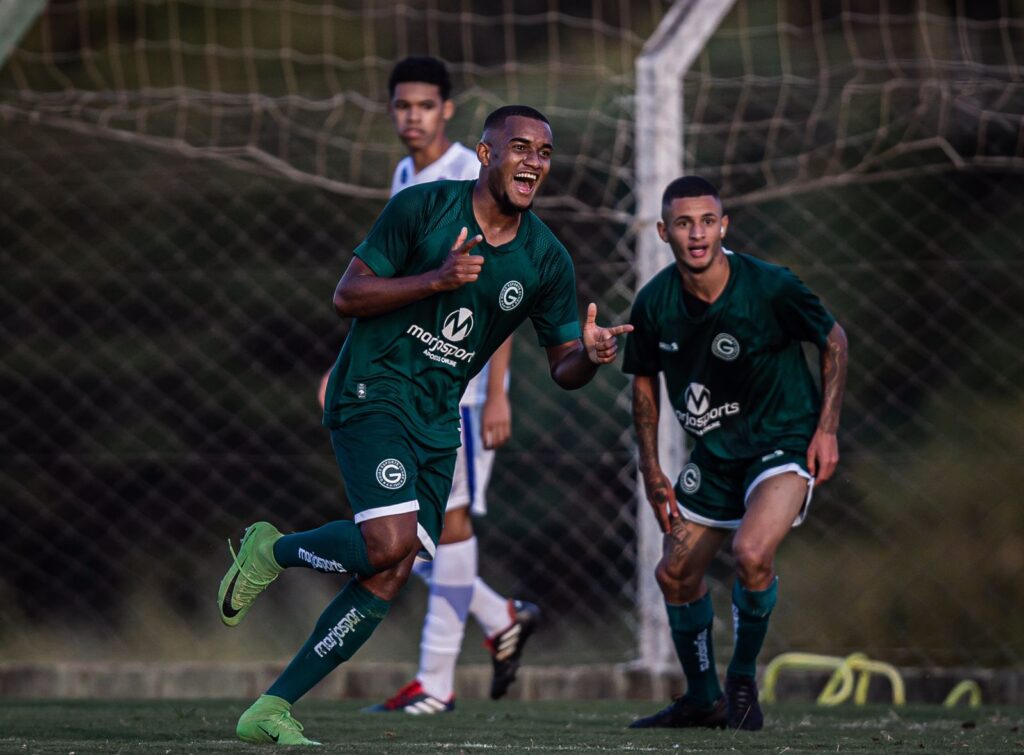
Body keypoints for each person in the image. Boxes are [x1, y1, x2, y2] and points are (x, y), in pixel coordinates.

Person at [219, 104, 632, 746]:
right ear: (486, 154)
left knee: (394, 566)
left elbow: (563, 367)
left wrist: (593, 355)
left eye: (544, 153)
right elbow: (346, 296)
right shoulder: (422, 209)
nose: (533, 161)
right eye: (519, 147)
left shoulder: (546, 259)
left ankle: (270, 707)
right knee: (388, 545)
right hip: (372, 389)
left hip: (441, 420)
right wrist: (435, 280)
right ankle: (270, 549)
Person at [622, 176, 847, 731]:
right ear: (662, 232)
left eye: (706, 221)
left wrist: (827, 429)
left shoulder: (769, 287)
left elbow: (833, 338)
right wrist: (652, 468)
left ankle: (742, 679)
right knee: (674, 573)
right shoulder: (653, 302)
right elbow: (643, 380)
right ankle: (704, 700)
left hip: (782, 441)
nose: (696, 234)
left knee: (751, 553)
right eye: (682, 223)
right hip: (715, 456)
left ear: (724, 226)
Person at [366, 55, 540, 713]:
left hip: (460, 390)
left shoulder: (472, 171)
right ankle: (501, 617)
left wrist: (497, 390)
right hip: (412, 377)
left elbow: (500, 287)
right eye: (401, 105)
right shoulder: (406, 175)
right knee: (419, 529)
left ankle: (436, 681)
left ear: (447, 111)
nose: (412, 116)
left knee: (447, 523)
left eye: (424, 105)